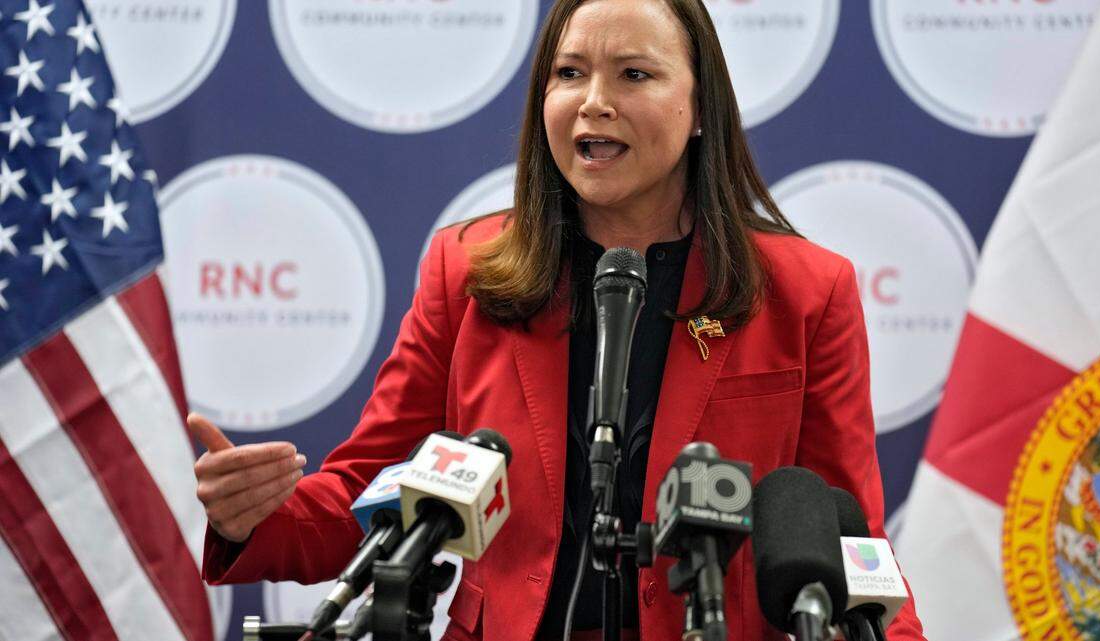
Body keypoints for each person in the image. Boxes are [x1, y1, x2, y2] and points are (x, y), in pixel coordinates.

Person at [190, 1, 928, 640]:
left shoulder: (804, 291)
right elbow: (366, 497)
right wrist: (253, 516)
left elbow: (846, 540)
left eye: (634, 74)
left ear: (702, 108)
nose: (593, 101)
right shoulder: (468, 273)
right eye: (569, 73)